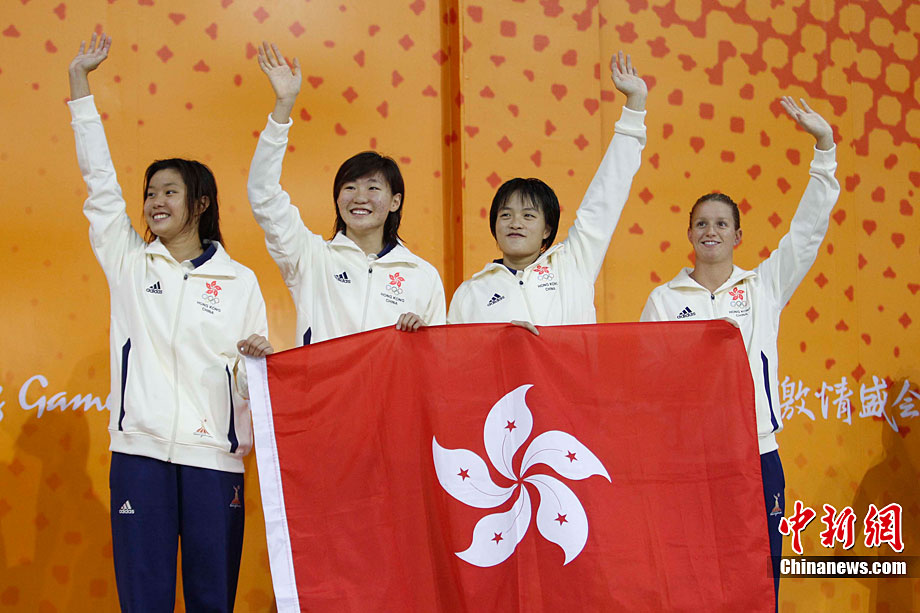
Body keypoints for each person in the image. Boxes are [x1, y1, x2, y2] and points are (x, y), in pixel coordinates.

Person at [68, 33, 271, 612]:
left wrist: (256, 362)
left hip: (214, 462)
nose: (155, 201)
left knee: (212, 600)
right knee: (144, 601)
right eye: (151, 192)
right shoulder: (130, 263)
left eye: (170, 192)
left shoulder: (241, 281)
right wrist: (80, 88)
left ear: (200, 204)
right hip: (141, 455)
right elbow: (100, 188)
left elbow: (251, 381)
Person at [640, 96, 840, 607]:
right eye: (702, 224)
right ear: (689, 234)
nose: (711, 231)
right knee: (690, 570)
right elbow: (645, 378)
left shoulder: (764, 287)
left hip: (756, 452)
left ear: (737, 236)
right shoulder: (663, 300)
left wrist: (824, 150)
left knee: (761, 567)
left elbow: (806, 234)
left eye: (721, 224)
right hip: (689, 457)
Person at [247, 42, 446, 346]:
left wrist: (421, 341)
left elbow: (438, 359)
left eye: (373, 188)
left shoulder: (422, 275)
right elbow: (263, 192)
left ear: (395, 202)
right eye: (350, 187)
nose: (359, 197)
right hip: (324, 380)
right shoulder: (311, 258)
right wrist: (283, 107)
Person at [447, 51, 647, 330]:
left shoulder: (573, 264)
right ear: (494, 225)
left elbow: (607, 195)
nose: (515, 223)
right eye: (506, 215)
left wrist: (634, 108)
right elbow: (454, 355)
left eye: (528, 216)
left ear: (546, 229)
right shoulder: (470, 294)